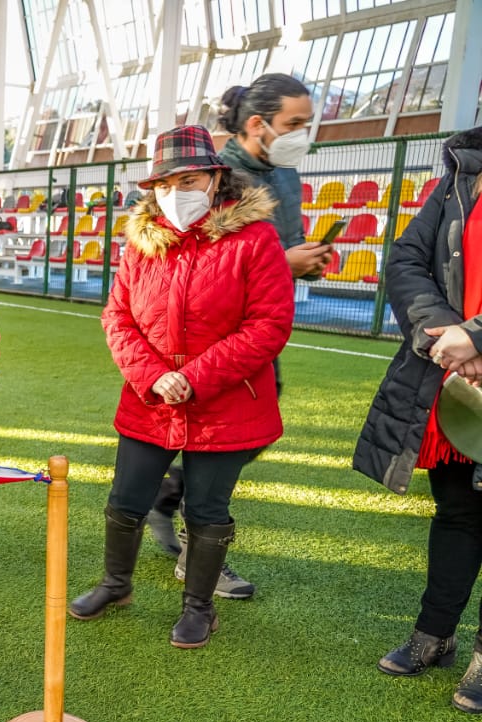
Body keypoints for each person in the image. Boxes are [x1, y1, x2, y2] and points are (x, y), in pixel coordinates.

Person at [69, 125, 294, 649]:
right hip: (150, 402)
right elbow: (118, 318)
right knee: (125, 500)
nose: (175, 193)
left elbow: (268, 325)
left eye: (188, 179)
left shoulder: (255, 239)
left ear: (215, 179)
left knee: (207, 511)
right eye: (164, 184)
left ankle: (199, 608)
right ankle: (115, 585)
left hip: (226, 405)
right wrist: (154, 377)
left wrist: (193, 378)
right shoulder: (143, 243)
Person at [145, 73, 332, 600]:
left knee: (256, 432)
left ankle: (169, 498)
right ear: (258, 124)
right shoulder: (221, 176)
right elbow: (201, 251)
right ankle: (192, 546)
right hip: (210, 334)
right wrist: (281, 261)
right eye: (294, 123)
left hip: (258, 331)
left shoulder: (284, 171)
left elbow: (284, 248)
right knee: (218, 440)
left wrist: (303, 261)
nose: (302, 132)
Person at [354, 125, 482, 714]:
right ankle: (436, 635)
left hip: (467, 357)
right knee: (456, 512)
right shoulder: (460, 173)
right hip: (452, 376)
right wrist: (446, 336)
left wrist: (475, 337)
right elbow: (405, 258)